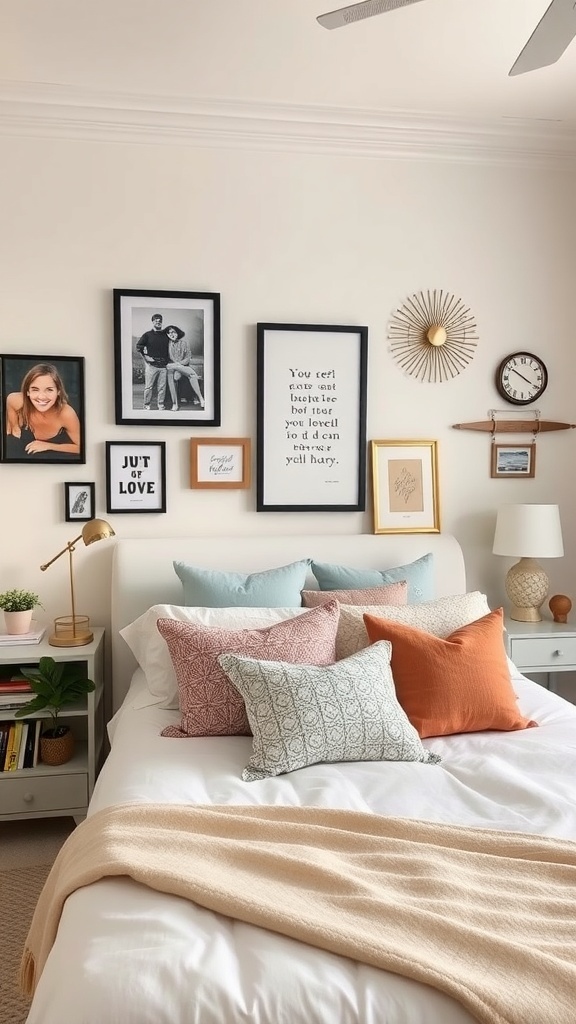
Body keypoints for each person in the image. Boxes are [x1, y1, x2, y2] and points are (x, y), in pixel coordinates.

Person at [5, 363, 81, 460]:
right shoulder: (17, 401)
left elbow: (82, 448)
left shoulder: (66, 413)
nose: (41, 397)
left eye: (49, 390)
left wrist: (48, 446)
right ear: (27, 392)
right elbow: (10, 399)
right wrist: (14, 425)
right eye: (35, 390)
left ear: (58, 391)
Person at [165, 325, 205, 411]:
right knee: (172, 376)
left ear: (177, 333)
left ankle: (201, 398)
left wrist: (178, 364)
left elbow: (188, 357)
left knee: (191, 375)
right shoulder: (166, 345)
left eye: (173, 332)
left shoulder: (184, 343)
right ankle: (175, 404)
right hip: (173, 369)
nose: (171, 334)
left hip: (182, 367)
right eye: (169, 333)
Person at [135, 313, 170, 411]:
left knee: (162, 387)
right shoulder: (147, 335)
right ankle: (146, 404)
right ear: (153, 322)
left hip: (163, 366)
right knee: (148, 387)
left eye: (160, 321)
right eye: (156, 321)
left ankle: (160, 404)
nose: (158, 322)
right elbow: (139, 347)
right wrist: (146, 358)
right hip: (151, 366)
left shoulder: (166, 335)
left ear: (162, 322)